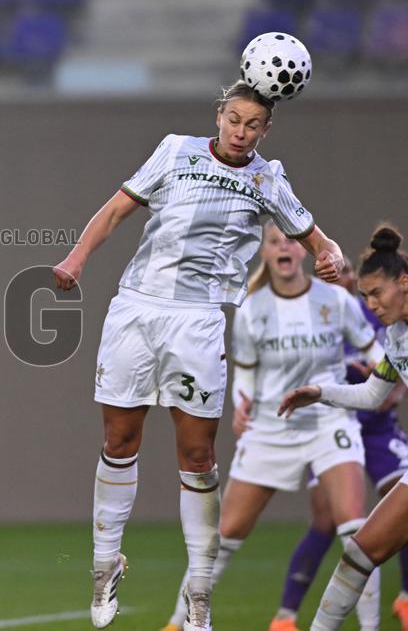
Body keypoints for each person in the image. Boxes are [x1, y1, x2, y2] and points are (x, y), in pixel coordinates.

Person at [52, 80, 345, 631]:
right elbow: (116, 210)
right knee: (119, 439)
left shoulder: (267, 179)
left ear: (266, 129)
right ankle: (103, 563)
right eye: (233, 119)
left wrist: (328, 259)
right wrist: (76, 259)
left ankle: (200, 594)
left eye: (253, 124)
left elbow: (320, 244)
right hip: (137, 308)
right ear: (219, 116)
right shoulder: (175, 150)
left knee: (198, 456)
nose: (241, 131)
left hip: (198, 319)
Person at [159, 224, 384, 631]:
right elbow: (244, 371)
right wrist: (239, 403)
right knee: (222, 536)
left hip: (329, 422)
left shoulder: (335, 299)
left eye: (290, 242)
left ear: (303, 252)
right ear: (263, 252)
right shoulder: (251, 309)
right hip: (270, 427)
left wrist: (384, 369)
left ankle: (370, 628)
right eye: (274, 242)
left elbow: (373, 348)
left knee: (356, 530)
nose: (283, 248)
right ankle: (179, 623)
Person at [266, 256, 408, 631]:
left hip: (380, 438)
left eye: (376, 293)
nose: (371, 304)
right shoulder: (395, 338)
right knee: (358, 554)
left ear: (405, 283)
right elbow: (373, 394)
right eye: (366, 296)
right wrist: (319, 392)